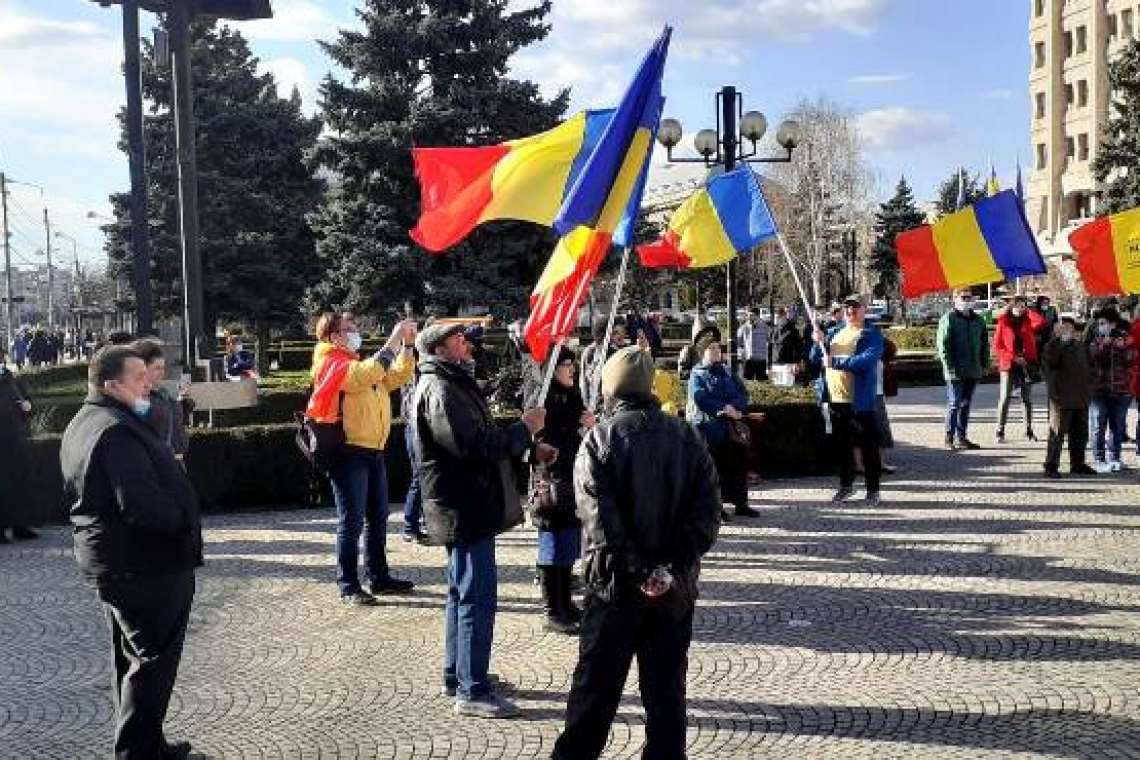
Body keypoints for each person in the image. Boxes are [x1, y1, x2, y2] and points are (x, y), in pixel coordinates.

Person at [552, 346, 721, 760]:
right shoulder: (687, 436)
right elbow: (707, 516)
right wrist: (667, 569)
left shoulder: (599, 438)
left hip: (615, 589)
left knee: (595, 695)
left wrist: (644, 569)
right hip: (672, 589)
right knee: (666, 696)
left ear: (611, 388)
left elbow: (600, 521)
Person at [61, 346, 202, 760]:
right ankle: (137, 753)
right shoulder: (114, 429)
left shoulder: (85, 421)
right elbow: (139, 504)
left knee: (133, 658)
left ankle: (146, 743)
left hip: (117, 562)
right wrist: (182, 521)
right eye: (139, 378)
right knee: (153, 662)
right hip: (144, 563)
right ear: (111, 385)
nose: (149, 383)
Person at [413, 322, 551, 718]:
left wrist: (528, 445)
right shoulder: (441, 389)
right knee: (475, 597)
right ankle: (472, 690)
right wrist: (524, 428)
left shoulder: (448, 382)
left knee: (462, 594)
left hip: (464, 506)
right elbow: (475, 446)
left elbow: (478, 438)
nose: (467, 344)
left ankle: (459, 675)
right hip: (464, 508)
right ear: (440, 349)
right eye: (459, 340)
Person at [307, 312, 417, 606]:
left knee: (377, 517)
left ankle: (379, 577)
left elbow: (396, 376)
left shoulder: (354, 363)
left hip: (371, 450)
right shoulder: (330, 362)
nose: (355, 332)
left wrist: (407, 346)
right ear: (333, 337)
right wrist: (394, 338)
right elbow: (367, 375)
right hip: (348, 452)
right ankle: (348, 585)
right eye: (348, 329)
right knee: (352, 521)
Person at [531, 346, 594, 635]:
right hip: (551, 483)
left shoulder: (573, 394)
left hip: (572, 478)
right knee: (552, 547)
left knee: (568, 544)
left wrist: (586, 422)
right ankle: (551, 609)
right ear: (552, 370)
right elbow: (541, 437)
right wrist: (574, 423)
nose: (572, 369)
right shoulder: (542, 397)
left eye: (573, 364)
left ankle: (566, 603)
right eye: (566, 364)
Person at [810, 294, 885, 506]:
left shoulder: (871, 334)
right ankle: (846, 486)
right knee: (842, 446)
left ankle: (873, 491)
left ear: (864, 309)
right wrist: (818, 343)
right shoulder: (834, 332)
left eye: (855, 307)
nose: (850, 311)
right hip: (835, 399)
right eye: (847, 308)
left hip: (859, 401)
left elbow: (866, 360)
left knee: (868, 447)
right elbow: (816, 359)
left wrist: (836, 361)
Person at [688, 341, 758, 519]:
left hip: (733, 427)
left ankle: (741, 503)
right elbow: (700, 398)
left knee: (739, 464)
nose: (716, 351)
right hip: (710, 429)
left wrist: (735, 408)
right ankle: (717, 508)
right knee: (716, 469)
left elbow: (743, 393)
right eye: (711, 348)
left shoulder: (727, 371)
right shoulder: (697, 374)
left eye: (718, 348)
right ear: (703, 353)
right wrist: (723, 408)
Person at [1042, 317, 1096, 478]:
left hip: (1081, 396)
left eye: (1069, 327)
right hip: (1061, 397)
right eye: (1062, 327)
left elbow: (1089, 366)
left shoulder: (1080, 346)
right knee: (1057, 433)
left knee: (1080, 433)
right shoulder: (1051, 346)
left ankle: (1078, 463)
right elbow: (1050, 363)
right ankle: (1051, 465)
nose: (1066, 330)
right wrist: (1061, 343)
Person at [937, 288, 989, 450]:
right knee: (954, 403)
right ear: (955, 299)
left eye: (969, 297)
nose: (967, 300)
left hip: (973, 369)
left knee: (966, 404)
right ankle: (949, 438)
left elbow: (984, 344)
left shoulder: (978, 320)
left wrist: (985, 364)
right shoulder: (949, 318)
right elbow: (943, 346)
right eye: (963, 297)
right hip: (955, 371)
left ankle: (962, 437)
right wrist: (949, 367)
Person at [1087, 307, 1136, 472]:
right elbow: (1093, 357)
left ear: (1113, 324)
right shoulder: (1095, 339)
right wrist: (1105, 345)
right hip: (1099, 389)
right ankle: (1099, 459)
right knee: (1098, 424)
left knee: (1118, 425)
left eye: (1104, 323)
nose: (1101, 326)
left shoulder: (1126, 338)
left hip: (1121, 389)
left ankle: (1115, 458)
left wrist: (1121, 346)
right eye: (1099, 323)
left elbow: (1132, 359)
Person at [993, 296, 1046, 443]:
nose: (1021, 309)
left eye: (1023, 306)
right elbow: (997, 347)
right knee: (1005, 397)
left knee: (1026, 399)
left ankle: (1028, 430)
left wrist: (1028, 310)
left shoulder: (1028, 321)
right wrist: (1013, 357)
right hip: (1009, 364)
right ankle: (1000, 429)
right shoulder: (1003, 322)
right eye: (1018, 306)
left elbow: (1041, 322)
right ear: (1011, 307)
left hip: (1026, 364)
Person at [130, 339, 193, 462]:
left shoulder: (162, 394)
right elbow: (151, 418)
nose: (162, 373)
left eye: (163, 368)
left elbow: (170, 421)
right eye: (157, 368)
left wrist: (182, 404)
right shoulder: (136, 399)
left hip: (176, 461)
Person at [0, 353, 37, 542]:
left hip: (15, 440)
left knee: (18, 484)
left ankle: (20, 525)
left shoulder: (12, 379)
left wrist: (27, 407)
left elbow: (28, 404)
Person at [737, 308, 770, 382]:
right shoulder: (744, 327)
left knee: (761, 382)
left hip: (761, 359)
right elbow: (739, 342)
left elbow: (770, 340)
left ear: (757, 316)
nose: (749, 317)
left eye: (751, 315)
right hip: (748, 359)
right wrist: (741, 355)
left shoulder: (765, 327)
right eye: (748, 315)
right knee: (747, 381)